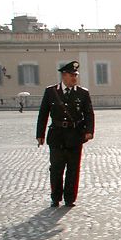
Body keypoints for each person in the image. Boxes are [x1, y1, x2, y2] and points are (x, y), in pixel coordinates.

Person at [35, 61, 95, 207]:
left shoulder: (83, 93)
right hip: (56, 136)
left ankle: (70, 198)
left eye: (76, 75)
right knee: (56, 169)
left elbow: (89, 113)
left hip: (75, 136)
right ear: (64, 75)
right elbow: (43, 114)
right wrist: (40, 134)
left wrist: (89, 131)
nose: (74, 78)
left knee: (73, 169)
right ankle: (55, 197)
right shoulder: (51, 92)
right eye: (72, 75)